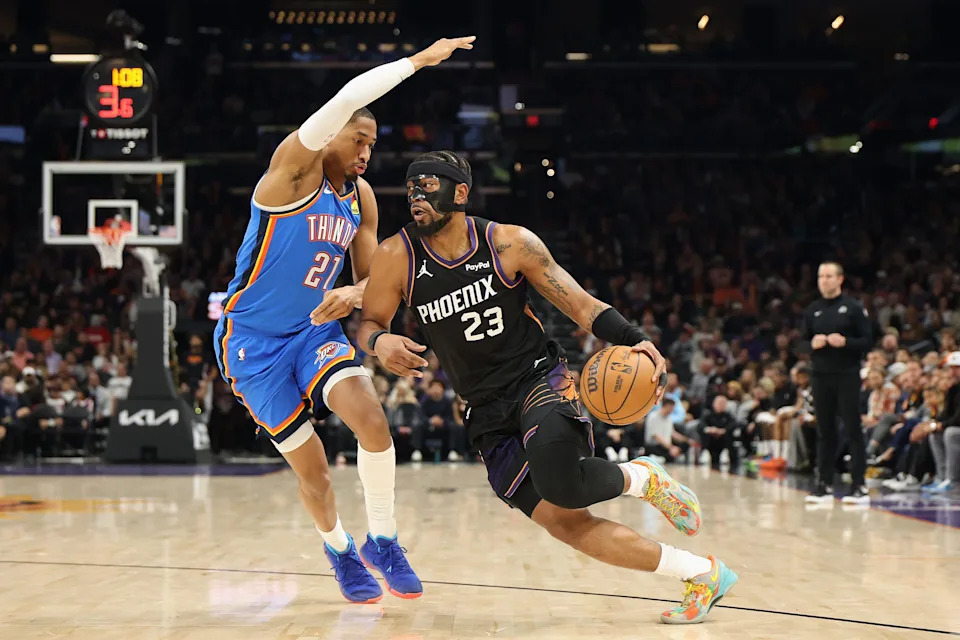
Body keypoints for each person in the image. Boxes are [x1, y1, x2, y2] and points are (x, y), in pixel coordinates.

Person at [358, 150, 737, 625]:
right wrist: (379, 341)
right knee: (568, 523)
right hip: (483, 410)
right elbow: (369, 322)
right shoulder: (397, 255)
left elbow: (579, 304)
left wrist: (638, 340)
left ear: (460, 193)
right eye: (411, 187)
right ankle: (703, 574)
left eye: (428, 186)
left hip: (540, 379)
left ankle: (643, 477)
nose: (417, 197)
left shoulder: (509, 243)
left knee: (561, 481)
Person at [214, 37, 475, 604]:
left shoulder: (360, 199)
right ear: (329, 132)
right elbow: (350, 95)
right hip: (252, 342)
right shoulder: (288, 175)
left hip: (312, 333)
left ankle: (383, 539)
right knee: (315, 473)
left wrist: (353, 295)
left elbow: (373, 283)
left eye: (372, 144)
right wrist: (416, 63)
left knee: (372, 420)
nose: (366, 152)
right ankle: (339, 550)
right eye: (359, 139)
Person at [803, 262, 873, 506]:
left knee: (853, 429)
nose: (824, 280)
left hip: (847, 374)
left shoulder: (853, 308)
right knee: (825, 431)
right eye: (821, 276)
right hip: (820, 375)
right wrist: (811, 344)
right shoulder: (813, 309)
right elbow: (800, 343)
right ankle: (824, 485)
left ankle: (858, 486)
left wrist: (845, 342)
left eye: (829, 276)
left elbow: (868, 340)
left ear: (840, 279)